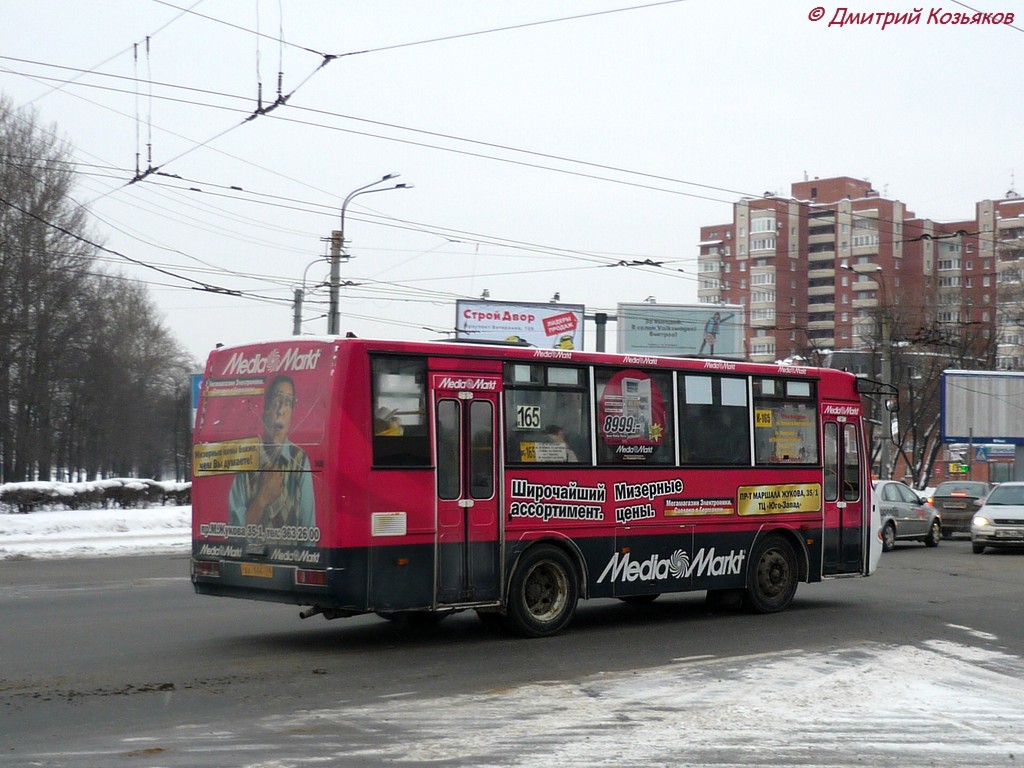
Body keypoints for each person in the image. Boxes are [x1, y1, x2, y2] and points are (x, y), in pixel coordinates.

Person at [229, 375, 315, 536]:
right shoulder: (247, 457)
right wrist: (262, 499)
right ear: (265, 409)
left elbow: (309, 531)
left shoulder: (300, 460)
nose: (281, 409)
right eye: (277, 400)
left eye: (288, 402)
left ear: (291, 416)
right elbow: (234, 533)